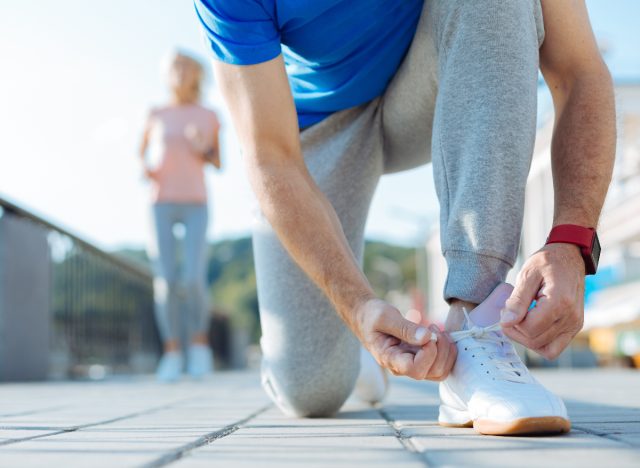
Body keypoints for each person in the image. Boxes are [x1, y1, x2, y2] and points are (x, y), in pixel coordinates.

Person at [194, 0, 615, 435]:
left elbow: (577, 70)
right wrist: (356, 307)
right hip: (317, 126)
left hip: (425, 75)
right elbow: (269, 156)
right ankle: (348, 353)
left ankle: (475, 328)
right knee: (309, 391)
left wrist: (572, 240)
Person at [139, 50, 222, 382]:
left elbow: (218, 162)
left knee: (193, 277)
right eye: (173, 65)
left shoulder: (208, 114)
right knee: (166, 281)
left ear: (195, 74)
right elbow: (140, 151)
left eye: (185, 66)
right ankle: (172, 353)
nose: (179, 71)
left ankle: (199, 348)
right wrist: (145, 168)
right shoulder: (155, 112)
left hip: (196, 203)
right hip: (160, 202)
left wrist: (202, 146)